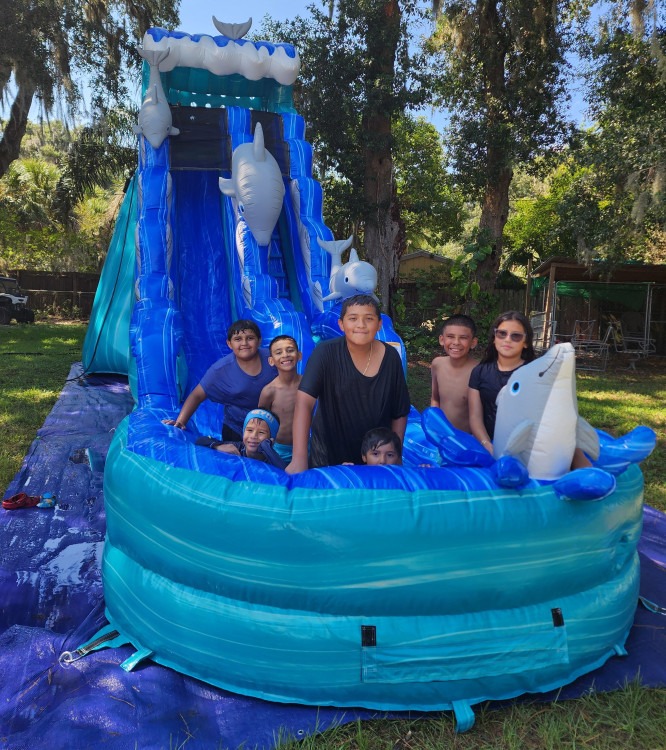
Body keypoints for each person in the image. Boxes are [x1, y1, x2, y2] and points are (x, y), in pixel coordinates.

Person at [286, 294, 411, 472]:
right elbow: (304, 403)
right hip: (329, 456)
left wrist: (396, 456)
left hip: (376, 459)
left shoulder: (390, 356)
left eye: (369, 319)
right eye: (353, 319)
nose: (361, 325)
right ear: (341, 324)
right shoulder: (325, 353)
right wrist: (298, 459)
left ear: (379, 324)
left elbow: (399, 411)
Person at [163, 319, 276, 441]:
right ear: (229, 344)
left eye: (250, 338)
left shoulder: (272, 358)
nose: (244, 343)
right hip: (238, 430)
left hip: (273, 427)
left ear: (259, 341)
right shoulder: (221, 370)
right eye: (238, 339)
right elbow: (197, 395)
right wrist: (180, 422)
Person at [468, 311, 536, 453]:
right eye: (502, 334)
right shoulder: (479, 372)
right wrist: (488, 446)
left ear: (526, 343)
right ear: (494, 338)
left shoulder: (536, 374)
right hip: (487, 445)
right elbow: (475, 417)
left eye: (516, 336)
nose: (507, 339)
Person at [430, 314, 479, 432]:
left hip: (467, 441)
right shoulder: (437, 364)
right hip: (441, 436)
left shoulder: (479, 371)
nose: (456, 342)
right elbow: (435, 399)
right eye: (450, 336)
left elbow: (481, 415)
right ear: (442, 339)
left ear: (473, 342)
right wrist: (435, 425)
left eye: (463, 337)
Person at [258, 335, 302, 463]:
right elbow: (261, 422)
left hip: (305, 446)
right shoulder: (269, 391)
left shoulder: (307, 384)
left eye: (290, 350)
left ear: (299, 355)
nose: (285, 355)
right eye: (279, 352)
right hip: (278, 450)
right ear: (271, 361)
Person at [196, 408, 286, 468]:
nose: (253, 436)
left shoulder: (273, 458)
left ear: (271, 440)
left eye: (261, 432)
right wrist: (217, 446)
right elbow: (200, 441)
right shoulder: (236, 448)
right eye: (249, 430)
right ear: (243, 432)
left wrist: (267, 448)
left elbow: (284, 472)